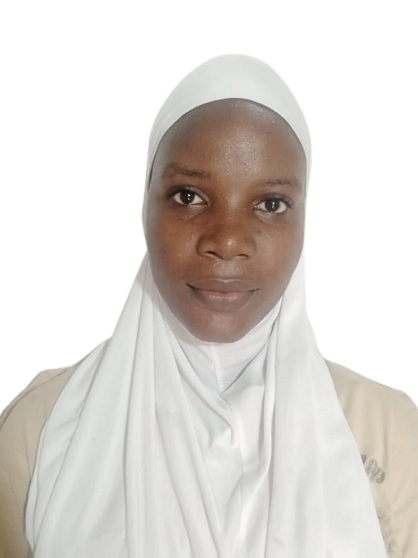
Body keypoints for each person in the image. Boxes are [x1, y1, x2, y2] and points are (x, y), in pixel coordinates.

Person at [0, 54, 417, 558]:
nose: (227, 241)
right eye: (188, 196)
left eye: (270, 204)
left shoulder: (388, 433)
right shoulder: (40, 429)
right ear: (144, 204)